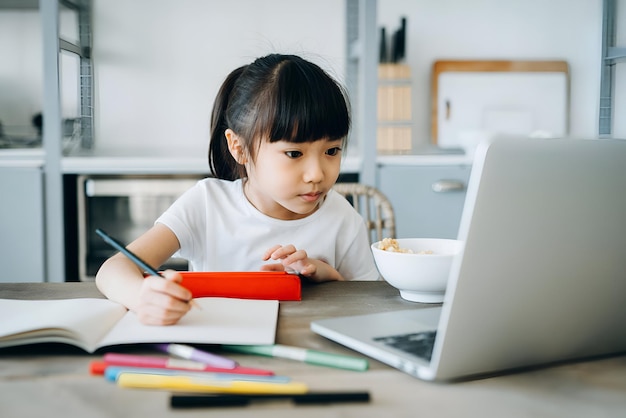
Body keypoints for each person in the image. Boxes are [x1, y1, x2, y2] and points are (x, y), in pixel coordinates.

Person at [95, 53, 379, 325]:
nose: (317, 174)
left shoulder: (342, 217)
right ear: (239, 148)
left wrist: (326, 275)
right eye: (294, 154)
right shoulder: (207, 204)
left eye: (332, 150)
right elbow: (112, 270)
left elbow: (368, 303)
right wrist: (141, 296)